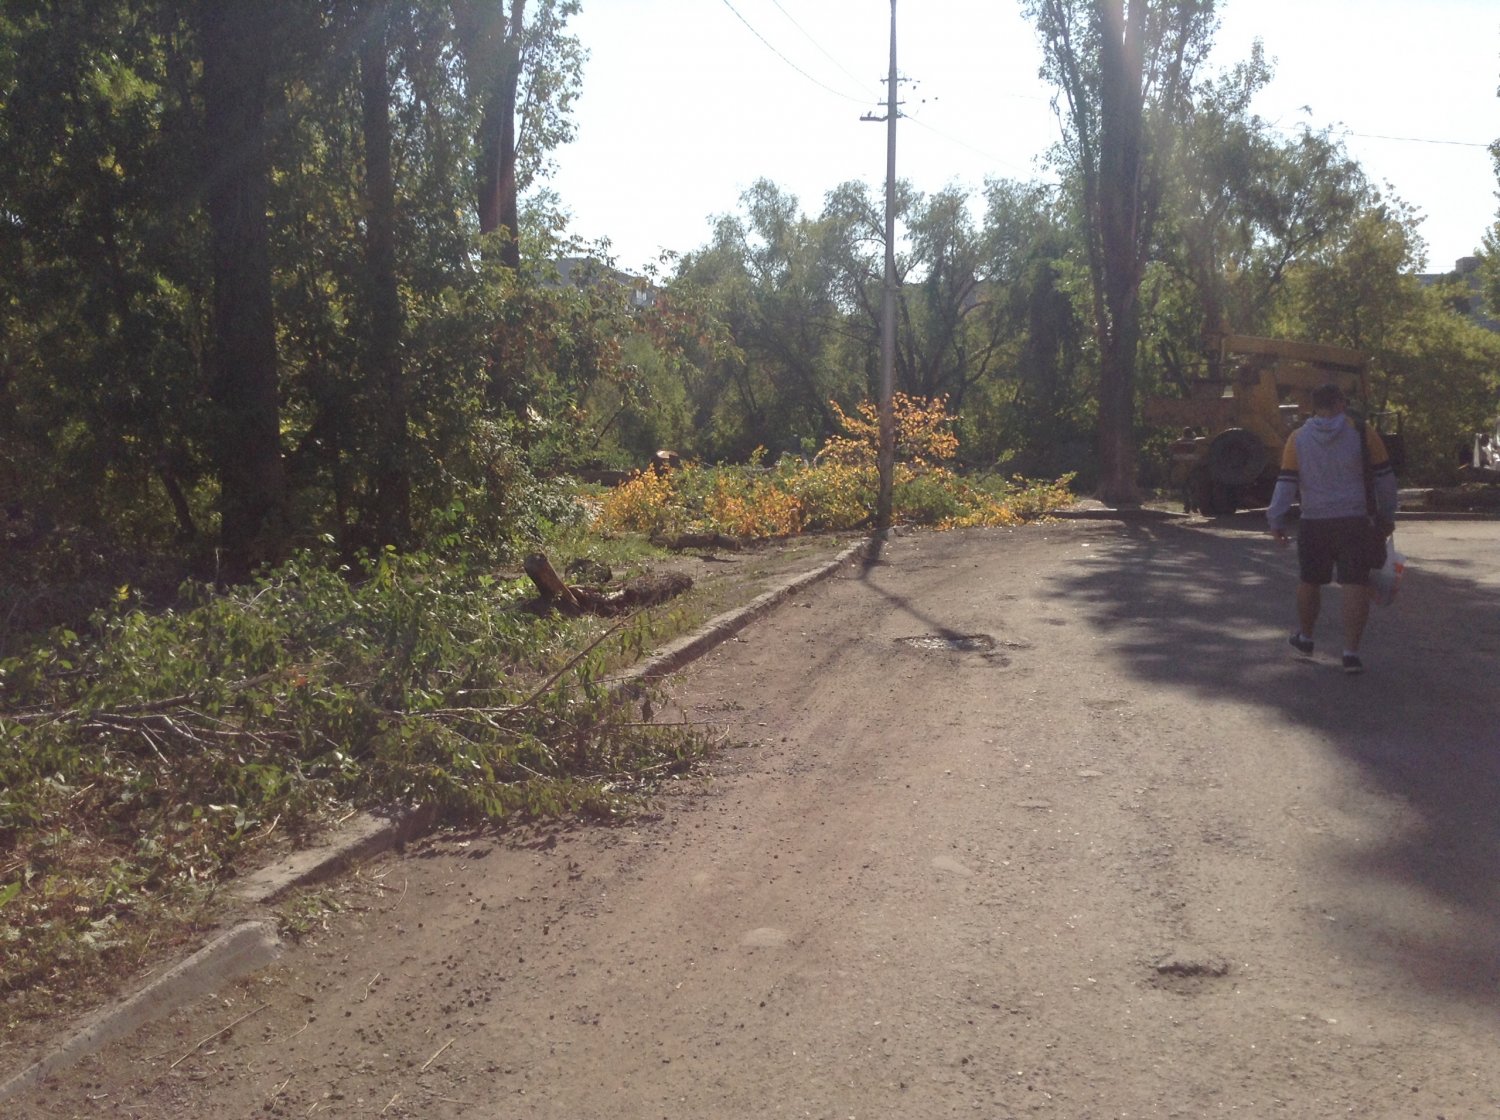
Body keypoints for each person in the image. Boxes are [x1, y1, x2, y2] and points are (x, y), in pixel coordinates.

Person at [1266, 383, 1398, 674]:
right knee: (1355, 583)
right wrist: (1387, 516)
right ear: (1340, 403)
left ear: (1314, 406)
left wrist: (1275, 520)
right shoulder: (1363, 432)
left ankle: (1306, 638)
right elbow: (1385, 479)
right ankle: (1350, 654)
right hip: (1355, 520)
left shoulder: (1297, 438)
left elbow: (1286, 482)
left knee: (1309, 580)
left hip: (1314, 521)